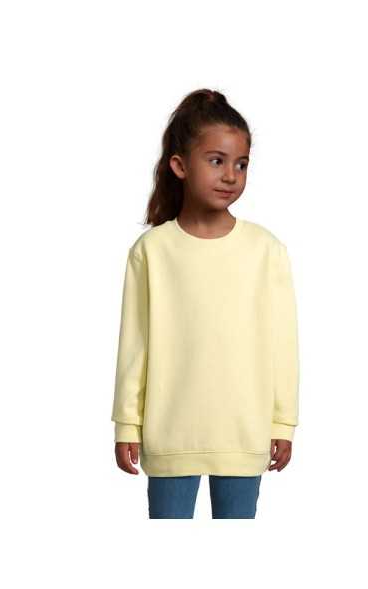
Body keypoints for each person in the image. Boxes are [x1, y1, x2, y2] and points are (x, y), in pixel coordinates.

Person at [111, 88, 300, 519]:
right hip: (170, 434)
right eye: (217, 161)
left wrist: (282, 422)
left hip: (243, 434)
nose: (231, 175)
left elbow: (283, 345)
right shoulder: (152, 251)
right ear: (180, 166)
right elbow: (134, 345)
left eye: (241, 164)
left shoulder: (266, 250)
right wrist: (127, 422)